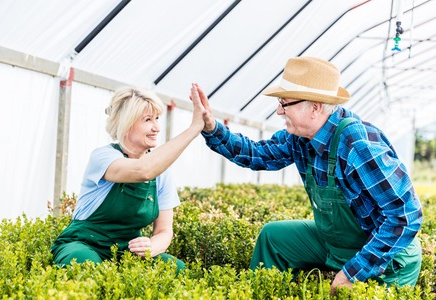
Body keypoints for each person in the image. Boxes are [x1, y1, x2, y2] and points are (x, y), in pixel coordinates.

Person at [190, 56, 423, 293]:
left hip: (389, 257)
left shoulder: (357, 143)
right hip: (341, 243)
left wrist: (354, 272)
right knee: (273, 237)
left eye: (284, 103)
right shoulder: (300, 138)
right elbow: (257, 154)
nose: (279, 110)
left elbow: (405, 215)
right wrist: (211, 128)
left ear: (314, 107)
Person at [51, 84, 205, 273]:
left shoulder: (161, 172)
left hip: (128, 252)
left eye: (157, 119)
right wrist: (194, 129)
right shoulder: (103, 157)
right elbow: (142, 171)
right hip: (84, 244)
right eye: (148, 120)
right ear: (126, 123)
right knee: (86, 267)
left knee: (177, 269)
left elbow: (164, 230)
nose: (156, 127)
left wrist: (152, 247)